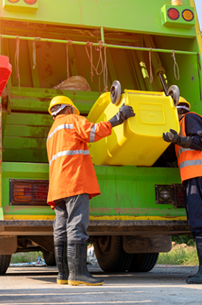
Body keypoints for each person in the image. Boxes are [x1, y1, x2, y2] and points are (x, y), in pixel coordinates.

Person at [46, 95, 135, 286]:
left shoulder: (52, 132)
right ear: (69, 109)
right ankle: (78, 274)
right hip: (75, 180)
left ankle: (63, 274)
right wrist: (118, 118)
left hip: (57, 186)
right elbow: (92, 133)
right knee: (76, 225)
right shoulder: (72, 120)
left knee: (61, 227)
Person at [162, 97, 202, 284]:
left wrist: (178, 139)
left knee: (201, 220)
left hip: (199, 175)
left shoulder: (189, 118)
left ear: (177, 110)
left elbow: (199, 142)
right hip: (195, 176)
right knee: (200, 220)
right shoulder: (180, 125)